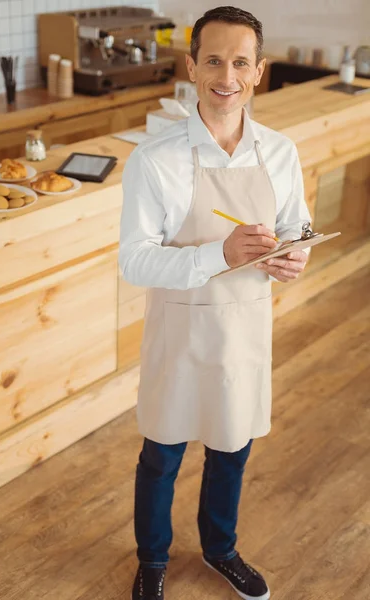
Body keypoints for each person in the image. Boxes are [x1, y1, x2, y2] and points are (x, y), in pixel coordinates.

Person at [119, 6, 311, 600]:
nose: (226, 75)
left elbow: (296, 228)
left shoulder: (281, 152)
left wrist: (293, 259)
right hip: (179, 332)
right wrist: (218, 256)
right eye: (213, 60)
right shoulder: (154, 160)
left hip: (244, 331)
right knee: (162, 456)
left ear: (259, 72)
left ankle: (220, 549)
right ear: (191, 66)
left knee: (232, 451)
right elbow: (135, 261)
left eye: (240, 62)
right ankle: (152, 559)